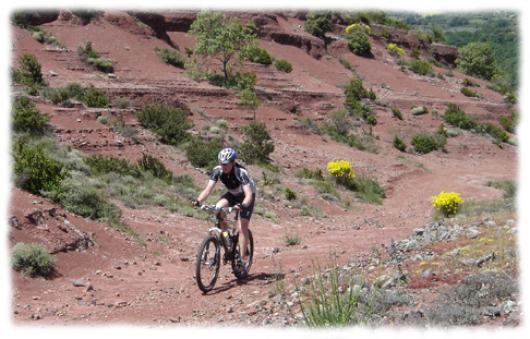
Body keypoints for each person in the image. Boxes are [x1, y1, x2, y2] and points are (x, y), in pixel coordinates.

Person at [192, 147, 256, 261]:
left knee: (242, 226)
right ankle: (227, 240)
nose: (224, 166)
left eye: (226, 164)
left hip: (246, 196)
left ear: (233, 162)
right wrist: (198, 201)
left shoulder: (241, 172)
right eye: (222, 164)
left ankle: (241, 259)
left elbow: (249, 195)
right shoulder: (217, 171)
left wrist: (242, 205)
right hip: (232, 194)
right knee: (218, 208)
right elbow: (207, 190)